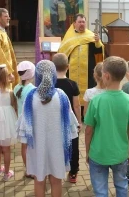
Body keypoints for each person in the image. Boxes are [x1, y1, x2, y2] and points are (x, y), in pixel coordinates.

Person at [18, 60, 78, 197]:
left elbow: (25, 129)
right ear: (54, 75)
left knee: (39, 181)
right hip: (57, 148)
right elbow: (71, 126)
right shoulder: (62, 96)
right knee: (56, 181)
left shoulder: (30, 97)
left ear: (37, 76)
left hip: (37, 148)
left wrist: (25, 146)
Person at [85, 56, 129, 197]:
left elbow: (89, 130)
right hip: (120, 153)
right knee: (122, 186)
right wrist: (127, 150)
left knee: (100, 190)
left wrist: (87, 151)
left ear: (106, 76)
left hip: (98, 153)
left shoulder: (96, 101)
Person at [58, 14, 104, 102]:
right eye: (79, 22)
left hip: (87, 73)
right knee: (71, 95)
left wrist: (98, 42)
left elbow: (98, 52)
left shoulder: (91, 36)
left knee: (87, 97)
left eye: (83, 22)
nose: (82, 24)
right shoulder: (68, 37)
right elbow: (62, 52)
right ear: (74, 23)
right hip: (71, 72)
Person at [52, 53, 81, 183]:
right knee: (73, 146)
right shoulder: (72, 84)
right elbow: (76, 105)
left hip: (54, 120)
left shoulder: (49, 83)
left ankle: (54, 170)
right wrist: (79, 122)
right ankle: (73, 172)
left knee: (55, 144)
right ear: (68, 67)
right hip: (69, 121)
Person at [14, 61, 35, 179]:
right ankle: (32, 169)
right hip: (31, 120)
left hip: (21, 121)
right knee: (31, 147)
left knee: (24, 146)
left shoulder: (16, 88)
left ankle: (28, 169)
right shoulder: (32, 89)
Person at [0, 8, 19, 87]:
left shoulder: (2, 32)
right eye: (6, 16)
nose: (9, 18)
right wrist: (8, 72)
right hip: (2, 74)